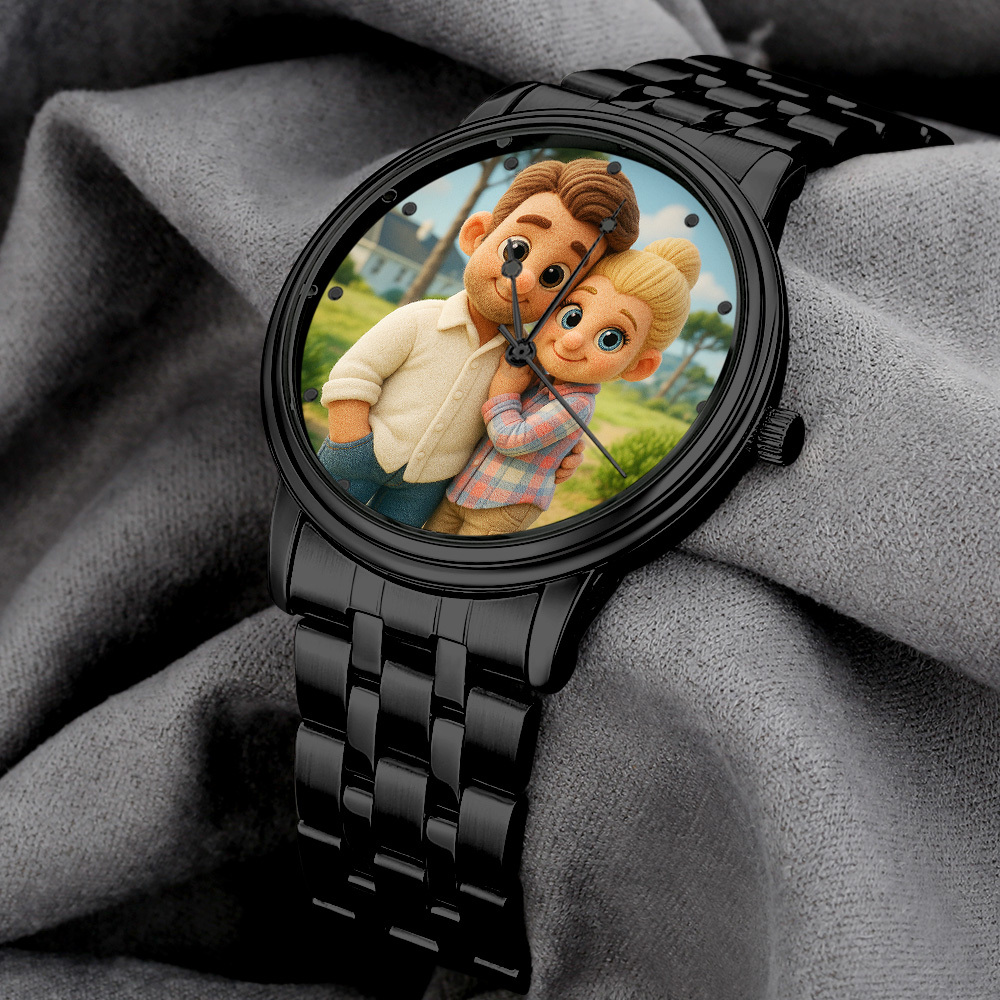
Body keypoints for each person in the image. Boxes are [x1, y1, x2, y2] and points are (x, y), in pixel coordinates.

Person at [316, 158, 640, 527]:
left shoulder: (524, 362)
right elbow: (355, 372)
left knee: (388, 551)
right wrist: (351, 442)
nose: (525, 278)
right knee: (318, 523)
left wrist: (561, 450)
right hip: (361, 454)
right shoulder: (421, 319)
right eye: (516, 250)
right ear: (477, 235)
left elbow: (531, 416)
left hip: (429, 484)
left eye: (554, 275)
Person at [425, 238, 701, 536]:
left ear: (638, 366)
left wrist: (505, 389)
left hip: (505, 504)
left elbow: (511, 439)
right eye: (572, 315)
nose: (572, 340)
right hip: (463, 488)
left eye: (610, 338)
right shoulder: (533, 370)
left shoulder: (577, 404)